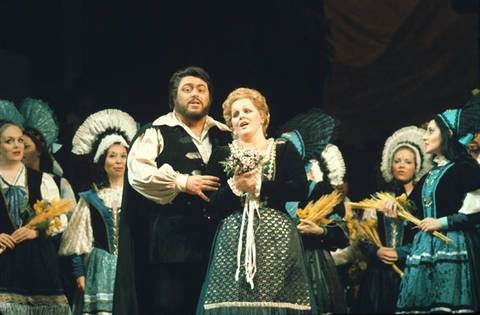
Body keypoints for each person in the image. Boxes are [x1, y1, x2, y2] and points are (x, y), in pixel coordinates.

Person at [113, 66, 231, 315]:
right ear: (174, 97)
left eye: (201, 89)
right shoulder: (156, 131)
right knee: (170, 307)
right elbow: (138, 174)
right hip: (173, 241)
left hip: (219, 241)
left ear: (210, 96)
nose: (195, 94)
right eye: (187, 89)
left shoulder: (225, 135)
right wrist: (182, 182)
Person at [196, 87, 316, 314]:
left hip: (277, 241)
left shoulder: (283, 149)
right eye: (235, 114)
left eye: (247, 111)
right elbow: (210, 204)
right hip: (233, 241)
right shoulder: (223, 153)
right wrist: (236, 187)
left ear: (262, 116)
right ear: (231, 124)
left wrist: (260, 186)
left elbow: (300, 189)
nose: (241, 116)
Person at [385, 92, 480, 313]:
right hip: (425, 248)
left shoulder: (466, 168)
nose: (424, 137)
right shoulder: (430, 174)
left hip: (453, 247)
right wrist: (397, 216)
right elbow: (412, 211)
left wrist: (442, 223)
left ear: (448, 134)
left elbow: (477, 212)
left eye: (430, 131)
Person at [58, 109, 137, 314]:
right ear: (103, 160)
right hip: (99, 269)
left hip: (130, 267)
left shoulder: (138, 197)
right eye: (113, 156)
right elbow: (77, 243)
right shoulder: (90, 198)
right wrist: (79, 274)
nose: (119, 161)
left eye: (123, 156)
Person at [0, 101, 71, 315]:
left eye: (20, 140)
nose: (17, 146)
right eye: (9, 141)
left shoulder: (43, 181)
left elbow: (61, 219)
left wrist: (36, 230)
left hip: (37, 264)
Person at [277, 109, 350, 314]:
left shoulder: (319, 189)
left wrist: (320, 231)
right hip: (277, 264)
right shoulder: (271, 190)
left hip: (312, 264)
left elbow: (343, 233)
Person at [353, 126, 431, 314]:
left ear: (417, 166)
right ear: (390, 165)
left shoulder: (424, 200)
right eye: (397, 161)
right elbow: (361, 236)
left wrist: (403, 252)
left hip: (411, 272)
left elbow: (429, 237)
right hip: (377, 278)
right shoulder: (378, 200)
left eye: (408, 161)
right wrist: (376, 250)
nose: (402, 165)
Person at [19, 97, 79, 305]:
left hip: (50, 258)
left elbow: (70, 226)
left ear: (39, 150)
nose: (19, 150)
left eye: (25, 145)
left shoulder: (56, 183)